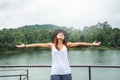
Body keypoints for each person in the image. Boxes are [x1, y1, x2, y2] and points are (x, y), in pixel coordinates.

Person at [16, 29, 101, 80]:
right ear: (56, 36)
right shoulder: (51, 45)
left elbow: (79, 43)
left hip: (66, 72)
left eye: (63, 34)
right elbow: (38, 44)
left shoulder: (67, 45)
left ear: (64, 38)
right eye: (60, 33)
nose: (62, 34)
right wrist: (25, 46)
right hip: (55, 73)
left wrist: (91, 44)